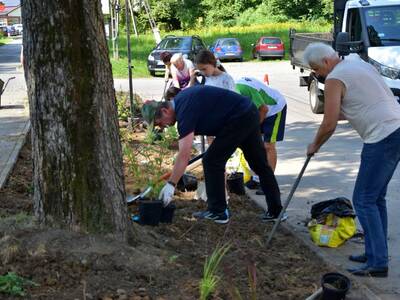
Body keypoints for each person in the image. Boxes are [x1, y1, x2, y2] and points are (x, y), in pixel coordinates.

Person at [303, 42, 400, 277]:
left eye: (317, 69)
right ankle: (374, 252)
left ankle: (377, 264)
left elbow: (329, 124)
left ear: (326, 62)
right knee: (376, 198)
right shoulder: (358, 65)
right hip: (396, 128)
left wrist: (314, 145)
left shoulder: (336, 78)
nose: (318, 75)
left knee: (364, 199)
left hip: (382, 136)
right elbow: (352, 108)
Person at [142, 85, 283, 224]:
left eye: (158, 123)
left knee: (211, 161)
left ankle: (218, 212)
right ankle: (276, 211)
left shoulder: (184, 111)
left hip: (239, 118)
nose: (161, 127)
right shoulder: (182, 101)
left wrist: (171, 184)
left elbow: (184, 154)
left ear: (165, 111)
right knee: (259, 164)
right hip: (248, 112)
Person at [236, 77, 287, 173]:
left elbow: (264, 110)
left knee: (268, 145)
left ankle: (269, 179)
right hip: (257, 111)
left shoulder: (243, 90)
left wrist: (253, 128)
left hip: (274, 109)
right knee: (254, 144)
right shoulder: (231, 93)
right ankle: (258, 176)